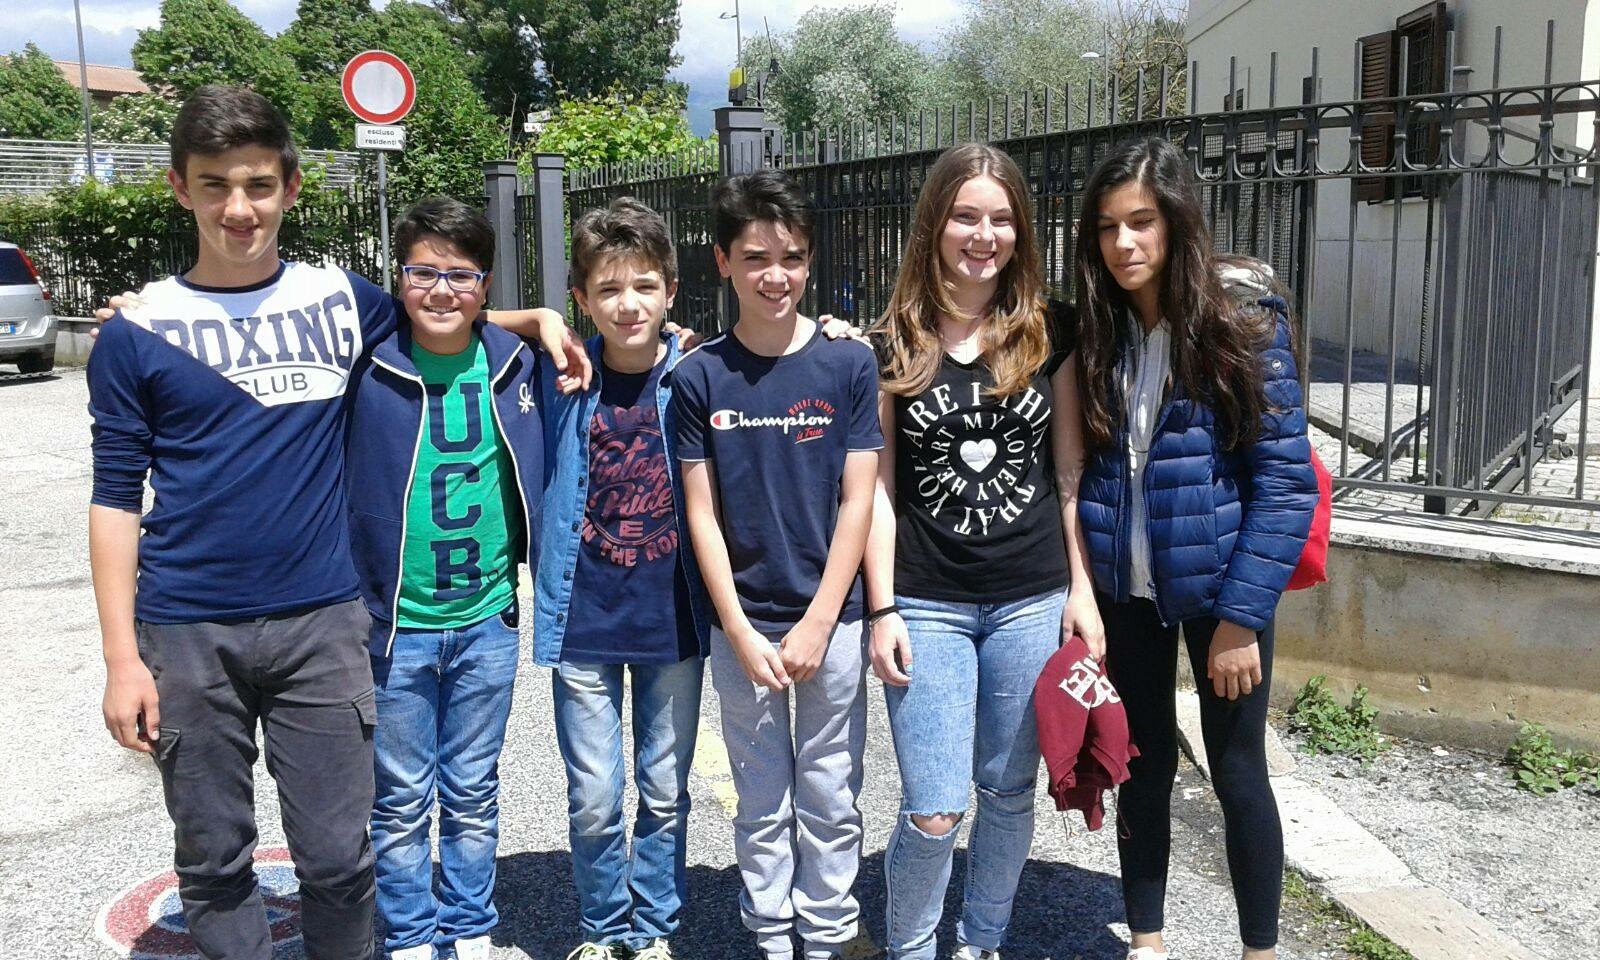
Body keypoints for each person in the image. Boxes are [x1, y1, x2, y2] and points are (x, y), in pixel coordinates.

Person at [87, 85, 582, 960]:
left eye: (257, 185)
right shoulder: (139, 332)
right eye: (215, 185)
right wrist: (122, 659)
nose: (238, 208)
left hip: (324, 620)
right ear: (179, 187)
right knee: (214, 856)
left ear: (290, 187)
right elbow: (115, 498)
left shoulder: (339, 299)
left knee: (339, 858)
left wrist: (537, 318)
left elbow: (442, 314)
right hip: (187, 626)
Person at [1073, 136, 1318, 960]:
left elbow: (1285, 483)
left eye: (1141, 222)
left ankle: (1260, 951)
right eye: (1108, 227)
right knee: (1141, 766)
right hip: (1127, 590)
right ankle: (1147, 944)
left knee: (1237, 770)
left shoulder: (1241, 323)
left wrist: (1242, 617)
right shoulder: (1096, 327)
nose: (1124, 244)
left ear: (1177, 223)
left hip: (1223, 589)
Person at [862, 142, 1103, 960]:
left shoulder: (1048, 332)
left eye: (1001, 219)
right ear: (935, 225)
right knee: (934, 810)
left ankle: (981, 942)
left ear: (1020, 231)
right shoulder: (890, 345)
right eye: (965, 216)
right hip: (924, 601)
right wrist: (882, 608)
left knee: (1006, 791)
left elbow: (1066, 474)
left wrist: (1081, 590)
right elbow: (879, 490)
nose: (983, 235)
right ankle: (910, 947)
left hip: (1031, 598)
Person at [670, 169, 882, 960]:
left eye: (791, 257)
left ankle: (824, 934)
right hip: (744, 627)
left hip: (834, 621)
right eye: (756, 257)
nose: (775, 275)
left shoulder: (847, 364)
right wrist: (736, 628)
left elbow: (858, 500)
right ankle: (770, 933)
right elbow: (701, 513)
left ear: (809, 260)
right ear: (723, 261)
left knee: (831, 796)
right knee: (761, 801)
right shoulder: (699, 375)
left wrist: (823, 622)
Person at [343, 197, 543, 960]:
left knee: (472, 791)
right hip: (396, 627)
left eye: (461, 275)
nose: (441, 290)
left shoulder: (516, 363)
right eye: (423, 272)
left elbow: (636, 347)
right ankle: (410, 934)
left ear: (485, 284)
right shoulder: (368, 362)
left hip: (488, 620)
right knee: (398, 799)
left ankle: (469, 924)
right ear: (398, 278)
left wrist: (544, 321)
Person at [534, 197, 711, 960]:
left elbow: (787, 357)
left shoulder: (701, 374)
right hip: (583, 619)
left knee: (665, 793)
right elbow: (458, 321)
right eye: (607, 289)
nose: (627, 304)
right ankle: (603, 930)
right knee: (595, 799)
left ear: (671, 290)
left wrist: (840, 330)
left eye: (643, 285)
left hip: (674, 620)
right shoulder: (560, 375)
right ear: (582, 299)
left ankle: (654, 929)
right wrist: (537, 320)